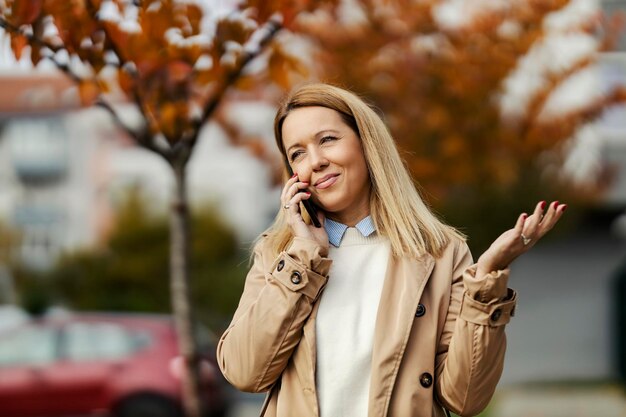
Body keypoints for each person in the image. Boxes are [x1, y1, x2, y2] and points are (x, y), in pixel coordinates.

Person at [216, 83, 566, 417]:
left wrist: (487, 279)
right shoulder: (278, 255)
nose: (316, 161)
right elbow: (246, 373)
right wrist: (304, 256)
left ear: (366, 143)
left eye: (328, 140)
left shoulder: (440, 252)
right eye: (298, 153)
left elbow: (466, 398)